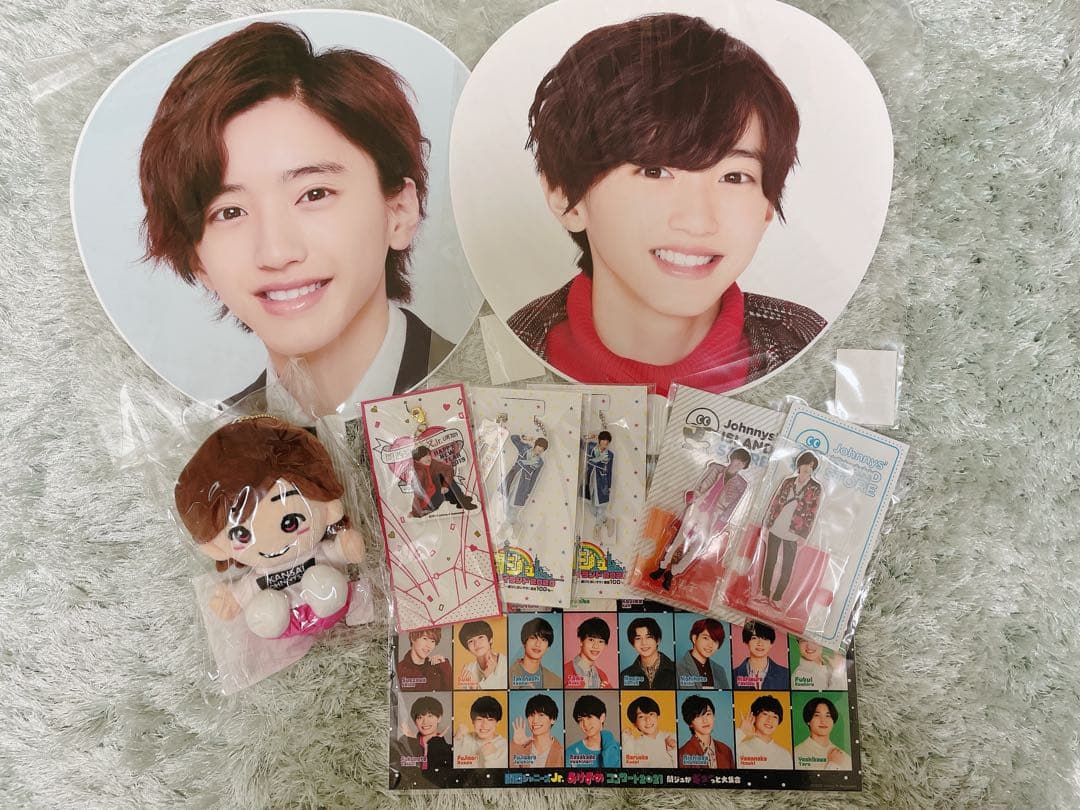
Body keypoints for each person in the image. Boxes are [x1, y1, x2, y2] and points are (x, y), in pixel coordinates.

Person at [139, 22, 453, 412]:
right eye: (230, 212)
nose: (275, 252)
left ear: (399, 211)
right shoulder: (204, 441)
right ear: (198, 260)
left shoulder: (503, 387)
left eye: (314, 194)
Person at [508, 13, 825, 397]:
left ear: (768, 207)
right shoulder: (501, 353)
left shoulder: (819, 353)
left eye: (734, 177)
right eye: (654, 171)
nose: (698, 221)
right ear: (566, 198)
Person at [649, 448, 751, 590]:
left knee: (697, 547)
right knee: (679, 539)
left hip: (713, 517)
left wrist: (721, 523)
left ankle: (672, 574)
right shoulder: (715, 468)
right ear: (732, 458)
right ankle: (662, 567)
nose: (738, 464)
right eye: (738, 459)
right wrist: (692, 498)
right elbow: (699, 484)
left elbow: (732, 506)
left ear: (744, 466)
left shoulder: (741, 485)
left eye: (742, 463)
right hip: (697, 507)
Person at [761, 452, 823, 605]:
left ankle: (777, 598)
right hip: (777, 525)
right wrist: (767, 524)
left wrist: (804, 535)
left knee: (787, 566)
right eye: (806, 464)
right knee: (770, 561)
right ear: (799, 464)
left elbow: (812, 512)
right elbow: (776, 502)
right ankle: (764, 594)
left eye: (811, 466)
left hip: (795, 531)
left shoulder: (815, 487)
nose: (808, 468)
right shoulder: (788, 481)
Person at [407, 445, 477, 518]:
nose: (428, 457)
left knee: (444, 477)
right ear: (417, 460)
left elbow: (448, 469)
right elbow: (418, 494)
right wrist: (414, 512)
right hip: (429, 501)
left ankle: (460, 500)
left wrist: (445, 485)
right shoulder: (418, 473)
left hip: (437, 491)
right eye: (424, 456)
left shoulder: (432, 463)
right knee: (441, 479)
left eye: (428, 455)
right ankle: (459, 500)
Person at [391, 695, 452, 774]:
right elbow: (405, 772)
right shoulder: (405, 743)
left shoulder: (449, 748)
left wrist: (435, 744)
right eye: (420, 717)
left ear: (439, 718)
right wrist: (413, 742)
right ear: (415, 721)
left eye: (430, 716)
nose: (425, 722)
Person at [500, 434, 548, 526]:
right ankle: (501, 515)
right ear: (536, 445)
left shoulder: (540, 462)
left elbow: (534, 478)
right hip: (514, 475)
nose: (540, 450)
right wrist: (527, 438)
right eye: (539, 447)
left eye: (542, 450)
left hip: (523, 482)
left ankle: (509, 521)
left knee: (515, 502)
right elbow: (513, 438)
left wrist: (528, 491)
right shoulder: (525, 448)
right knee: (505, 495)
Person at [677, 695, 735, 769]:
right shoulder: (682, 754)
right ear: (690, 723)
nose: (705, 720)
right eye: (698, 716)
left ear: (714, 716)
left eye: (708, 714)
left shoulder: (726, 750)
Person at [794, 697, 852, 770]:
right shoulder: (797, 753)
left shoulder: (844, 757)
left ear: (833, 721)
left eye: (828, 716)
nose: (823, 721)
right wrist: (833, 764)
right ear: (808, 720)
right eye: (817, 715)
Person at [736, 695, 793, 769]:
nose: (770, 720)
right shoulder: (741, 748)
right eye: (765, 714)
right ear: (754, 716)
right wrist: (741, 732)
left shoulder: (785, 755)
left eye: (775, 716)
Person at [619, 617, 676, 690]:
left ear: (658, 640)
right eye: (638, 638)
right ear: (633, 644)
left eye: (648, 637)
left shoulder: (677, 670)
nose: (644, 643)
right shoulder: (624, 676)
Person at [565, 695, 621, 768]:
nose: (585, 724)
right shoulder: (571, 752)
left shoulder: (617, 749)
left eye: (589, 717)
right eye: (580, 720)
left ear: (602, 717)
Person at [510, 694, 564, 767]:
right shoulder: (520, 749)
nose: (535, 721)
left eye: (541, 715)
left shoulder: (563, 753)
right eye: (532, 715)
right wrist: (516, 745)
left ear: (553, 719)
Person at [621, 696, 677, 768]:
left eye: (651, 714)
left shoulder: (672, 737)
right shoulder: (634, 745)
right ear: (635, 723)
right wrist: (627, 741)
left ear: (657, 716)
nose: (647, 719)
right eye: (641, 716)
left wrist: (674, 750)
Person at [732, 621, 789, 690]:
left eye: (765, 638)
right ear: (747, 642)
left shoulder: (785, 674)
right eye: (754, 638)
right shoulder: (733, 674)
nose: (760, 643)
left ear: (771, 644)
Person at [453, 696, 508, 768]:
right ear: (473, 721)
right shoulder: (465, 738)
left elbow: (499, 774)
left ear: (497, 722)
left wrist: (491, 757)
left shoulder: (504, 746)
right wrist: (456, 740)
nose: (484, 725)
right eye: (479, 719)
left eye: (490, 720)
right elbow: (453, 767)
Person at [676, 618, 730, 690]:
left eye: (715, 641)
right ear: (694, 638)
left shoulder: (720, 670)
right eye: (706, 638)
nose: (710, 645)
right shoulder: (678, 668)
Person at [509, 617, 562, 689]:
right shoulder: (507, 674)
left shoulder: (557, 682)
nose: (538, 644)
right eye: (533, 638)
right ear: (524, 642)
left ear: (548, 647)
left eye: (543, 639)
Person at [563, 617, 614, 688]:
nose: (596, 646)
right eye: (591, 640)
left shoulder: (602, 676)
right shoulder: (565, 670)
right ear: (581, 641)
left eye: (601, 641)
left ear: (605, 645)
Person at [581, 430, 614, 535]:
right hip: (589, 478)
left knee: (601, 506)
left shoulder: (610, 454)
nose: (605, 442)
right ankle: (606, 520)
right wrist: (591, 437)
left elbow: (609, 470)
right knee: (588, 503)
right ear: (599, 440)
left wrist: (609, 486)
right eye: (603, 440)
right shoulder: (591, 447)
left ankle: (597, 528)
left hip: (602, 482)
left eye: (607, 441)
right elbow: (580, 443)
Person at [457, 621, 507, 689]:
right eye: (471, 641)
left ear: (490, 640)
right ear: (467, 648)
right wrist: (471, 689)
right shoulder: (468, 670)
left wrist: (489, 677)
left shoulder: (506, 663)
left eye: (480, 637)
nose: (476, 644)